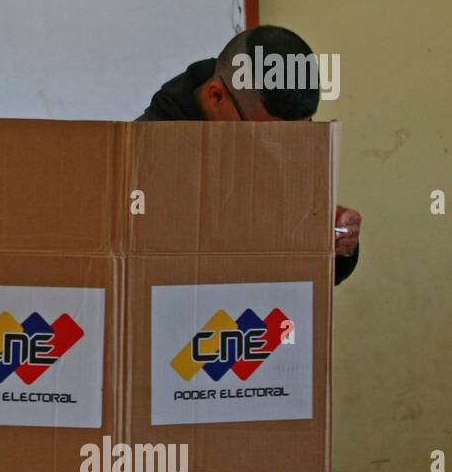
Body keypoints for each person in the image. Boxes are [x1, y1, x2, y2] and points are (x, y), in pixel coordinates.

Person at [137, 24, 362, 285]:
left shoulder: (281, 136)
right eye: (269, 137)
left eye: (300, 134)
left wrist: (337, 245)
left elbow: (303, 270)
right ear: (217, 97)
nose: (280, 150)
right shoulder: (141, 156)